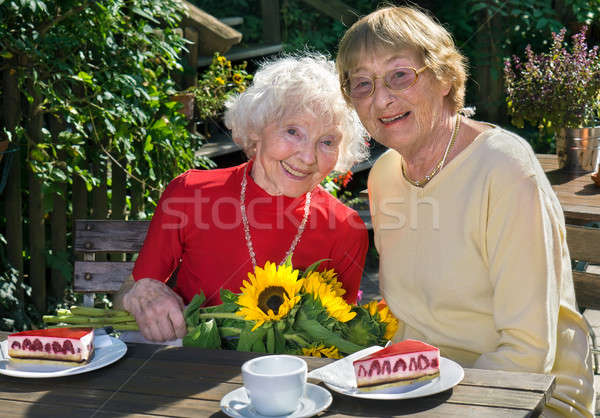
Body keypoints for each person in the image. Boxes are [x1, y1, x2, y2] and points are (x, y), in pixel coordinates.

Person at [336, 6, 595, 417]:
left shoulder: (505, 168)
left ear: (443, 77)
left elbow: (529, 353)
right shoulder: (384, 175)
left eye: (399, 75)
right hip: (421, 381)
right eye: (362, 84)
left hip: (530, 391)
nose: (381, 98)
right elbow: (410, 325)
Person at [118, 54, 369, 343]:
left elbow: (336, 334)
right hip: (187, 369)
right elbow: (129, 293)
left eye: (327, 141)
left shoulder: (346, 228)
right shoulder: (189, 194)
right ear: (257, 128)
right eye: (292, 131)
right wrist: (140, 295)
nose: (308, 157)